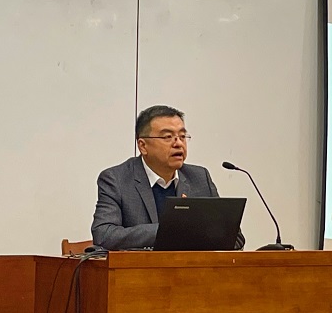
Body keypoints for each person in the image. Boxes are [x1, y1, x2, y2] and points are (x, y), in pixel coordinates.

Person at [91, 105, 245, 250]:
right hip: (140, 268)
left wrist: (197, 230)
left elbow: (235, 239)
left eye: (182, 136)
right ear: (143, 146)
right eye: (167, 137)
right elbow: (104, 234)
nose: (178, 143)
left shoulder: (199, 178)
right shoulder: (116, 179)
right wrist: (169, 229)